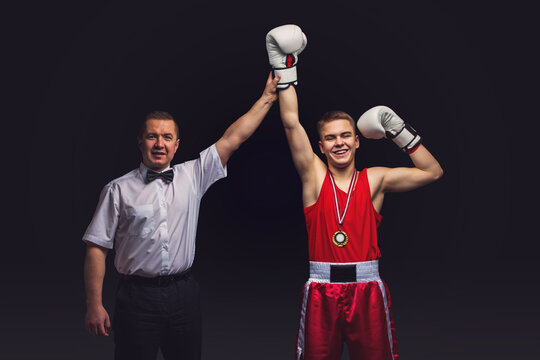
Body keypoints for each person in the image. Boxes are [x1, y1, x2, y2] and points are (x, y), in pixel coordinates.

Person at [265, 25, 443, 360]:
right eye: (331, 138)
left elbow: (432, 172)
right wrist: (283, 65)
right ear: (321, 146)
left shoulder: (375, 180)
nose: (339, 143)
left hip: (367, 292)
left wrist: (399, 132)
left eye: (345, 136)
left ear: (357, 140)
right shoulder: (314, 177)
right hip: (321, 291)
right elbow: (291, 122)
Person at [82, 73, 280, 360]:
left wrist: (268, 98)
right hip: (136, 298)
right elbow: (96, 248)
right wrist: (93, 304)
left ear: (176, 144)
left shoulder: (193, 175)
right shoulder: (118, 190)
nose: (159, 144)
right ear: (140, 142)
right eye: (152, 136)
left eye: (167, 137)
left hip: (184, 295)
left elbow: (234, 138)